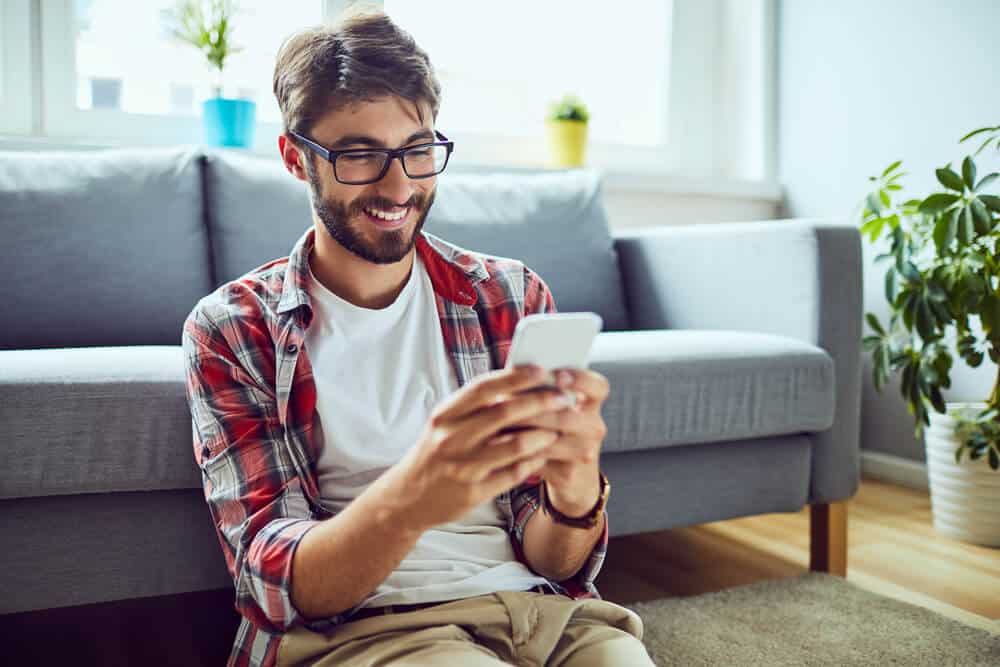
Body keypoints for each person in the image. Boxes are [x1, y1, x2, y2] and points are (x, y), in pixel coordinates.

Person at [181, 8, 654, 667]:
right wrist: (417, 491)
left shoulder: (510, 297)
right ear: (296, 159)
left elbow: (556, 557)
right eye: (359, 155)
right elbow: (273, 584)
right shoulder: (234, 329)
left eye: (418, 148)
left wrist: (574, 490)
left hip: (541, 610)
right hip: (370, 627)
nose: (400, 184)